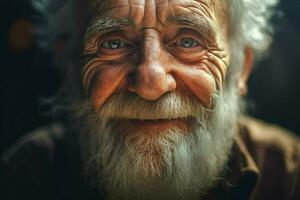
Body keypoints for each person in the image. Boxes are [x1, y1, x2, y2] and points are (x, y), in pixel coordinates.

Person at [1, 0, 299, 199]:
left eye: (188, 41)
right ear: (68, 66)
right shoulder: (27, 176)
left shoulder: (289, 178)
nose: (150, 82)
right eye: (113, 43)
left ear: (240, 70)